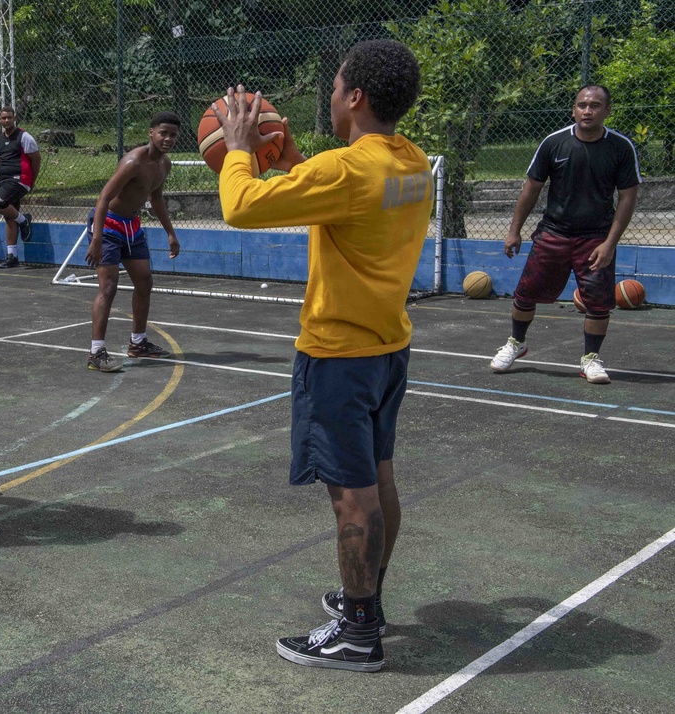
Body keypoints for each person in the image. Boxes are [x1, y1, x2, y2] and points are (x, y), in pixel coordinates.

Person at [215, 40, 432, 671]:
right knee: (380, 481)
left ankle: (358, 636)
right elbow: (342, 193)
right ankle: (369, 600)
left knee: (352, 498)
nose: (331, 95)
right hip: (388, 347)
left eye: (336, 87)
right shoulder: (410, 163)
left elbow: (240, 206)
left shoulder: (345, 170)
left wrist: (237, 150)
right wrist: (288, 161)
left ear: (356, 97)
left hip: (338, 355)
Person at [489, 84, 641, 384]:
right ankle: (516, 343)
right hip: (554, 231)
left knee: (598, 303)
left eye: (595, 105)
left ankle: (590, 360)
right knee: (525, 294)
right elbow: (531, 188)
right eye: (582, 105)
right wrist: (514, 231)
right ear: (573, 109)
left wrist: (610, 243)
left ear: (606, 111)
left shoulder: (621, 148)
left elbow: (627, 198)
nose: (588, 110)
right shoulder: (554, 142)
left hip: (596, 236)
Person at [83, 111, 181, 372]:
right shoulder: (133, 162)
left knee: (145, 281)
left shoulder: (164, 165)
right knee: (109, 287)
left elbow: (156, 198)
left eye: (173, 135)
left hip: (131, 226)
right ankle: (96, 353)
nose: (168, 139)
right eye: (163, 133)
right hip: (109, 225)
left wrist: (170, 232)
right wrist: (97, 237)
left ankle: (137, 343)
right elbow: (103, 198)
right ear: (151, 133)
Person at [0, 105, 41, 269]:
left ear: (14, 118)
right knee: (9, 216)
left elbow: (36, 158)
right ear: (0, 120)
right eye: (3, 118)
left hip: (21, 179)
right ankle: (12, 256)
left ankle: (24, 220)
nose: (6, 120)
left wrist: (32, 180)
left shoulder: (24, 136)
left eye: (9, 118)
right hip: (5, 180)